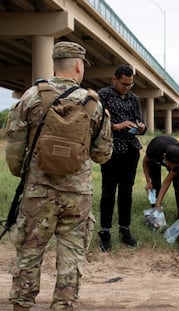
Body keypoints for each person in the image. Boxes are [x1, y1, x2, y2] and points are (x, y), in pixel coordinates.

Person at [5, 41, 112, 311]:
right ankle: (63, 305)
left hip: (38, 192)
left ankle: (21, 305)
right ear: (78, 65)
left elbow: (14, 151)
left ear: (55, 64)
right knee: (71, 256)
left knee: (29, 253)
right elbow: (102, 154)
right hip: (77, 195)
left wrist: (26, 174)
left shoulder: (30, 97)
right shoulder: (93, 103)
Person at [97, 64, 146, 251]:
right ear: (114, 80)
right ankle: (105, 231)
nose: (127, 87)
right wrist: (118, 126)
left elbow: (140, 121)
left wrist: (141, 127)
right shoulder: (103, 95)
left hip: (131, 149)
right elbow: (97, 123)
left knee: (127, 191)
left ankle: (125, 229)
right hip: (111, 150)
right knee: (108, 191)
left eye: (130, 84)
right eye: (124, 84)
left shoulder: (134, 98)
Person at [143, 135, 179, 209]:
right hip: (156, 153)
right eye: (171, 165)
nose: (172, 168)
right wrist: (148, 181)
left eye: (174, 166)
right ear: (164, 156)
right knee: (155, 183)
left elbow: (167, 181)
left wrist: (159, 201)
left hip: (171, 153)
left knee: (178, 183)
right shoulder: (154, 150)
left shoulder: (178, 159)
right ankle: (155, 209)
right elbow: (145, 163)